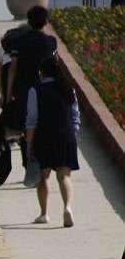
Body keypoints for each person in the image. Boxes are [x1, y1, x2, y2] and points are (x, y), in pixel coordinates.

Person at [25, 56, 80, 227]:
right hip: (66, 135)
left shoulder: (36, 90)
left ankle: (44, 214)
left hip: (44, 136)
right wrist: (71, 134)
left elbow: (32, 120)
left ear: (42, 73)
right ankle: (67, 207)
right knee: (64, 176)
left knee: (43, 177)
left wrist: (29, 142)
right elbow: (75, 117)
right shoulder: (68, 89)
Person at [6, 5, 57, 168]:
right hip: (45, 90)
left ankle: (28, 162)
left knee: (26, 126)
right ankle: (43, 163)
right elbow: (55, 67)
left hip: (23, 90)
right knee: (43, 125)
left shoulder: (18, 41)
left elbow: (13, 68)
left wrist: (8, 94)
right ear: (46, 22)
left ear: (29, 21)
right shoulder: (51, 42)